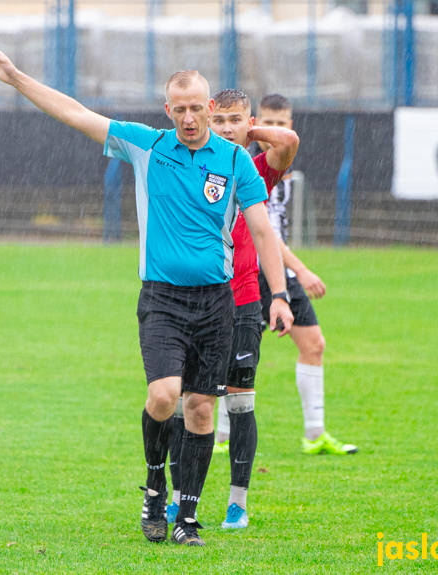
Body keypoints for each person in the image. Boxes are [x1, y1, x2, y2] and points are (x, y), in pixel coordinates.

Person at [0, 42, 294, 547]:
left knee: (201, 410)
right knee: (164, 396)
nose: (189, 117)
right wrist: (17, 78)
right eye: (180, 109)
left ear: (210, 109)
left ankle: (187, 517)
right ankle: (154, 484)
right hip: (163, 300)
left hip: (217, 303)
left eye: (197, 108)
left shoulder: (234, 161)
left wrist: (278, 294)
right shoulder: (148, 146)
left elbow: (261, 231)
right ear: (168, 111)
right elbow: (76, 113)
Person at [165, 89, 300, 531]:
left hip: (243, 301)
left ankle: (237, 503)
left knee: (240, 404)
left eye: (234, 120)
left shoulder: (254, 168)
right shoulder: (197, 160)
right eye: (217, 119)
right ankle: (179, 497)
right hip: (198, 299)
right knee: (186, 402)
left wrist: (246, 132)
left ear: (250, 121)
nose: (224, 127)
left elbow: (289, 143)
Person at [253, 94, 358, 458]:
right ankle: (218, 439)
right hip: (253, 270)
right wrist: (301, 268)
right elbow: (262, 232)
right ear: (255, 124)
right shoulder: (249, 166)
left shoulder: (285, 172)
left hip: (278, 272)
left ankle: (314, 434)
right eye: (270, 122)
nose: (277, 130)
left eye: (283, 123)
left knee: (313, 344)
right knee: (231, 356)